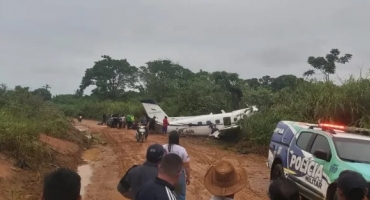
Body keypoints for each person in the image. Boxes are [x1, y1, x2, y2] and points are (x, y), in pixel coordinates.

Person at [162, 130, 191, 200]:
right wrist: (188, 177)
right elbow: (187, 166)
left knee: (165, 193)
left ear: (169, 138)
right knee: (181, 195)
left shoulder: (163, 147)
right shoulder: (182, 150)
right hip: (178, 174)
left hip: (165, 174)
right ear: (178, 139)